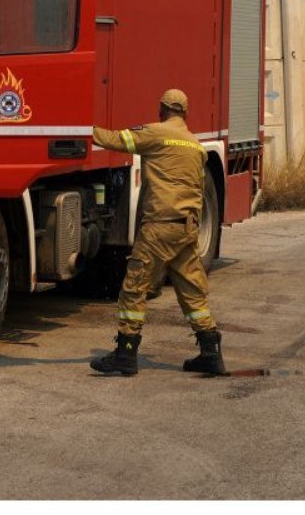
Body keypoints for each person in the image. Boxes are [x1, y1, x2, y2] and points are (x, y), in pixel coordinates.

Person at [89, 89, 226, 377]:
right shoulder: (196, 146)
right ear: (185, 114)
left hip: (158, 228)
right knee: (191, 291)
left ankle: (125, 354)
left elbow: (117, 141)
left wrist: (84, 130)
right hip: (187, 229)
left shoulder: (155, 134)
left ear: (161, 110)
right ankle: (210, 351)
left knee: (134, 288)